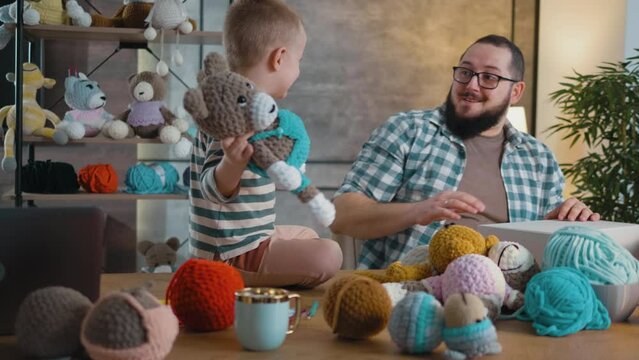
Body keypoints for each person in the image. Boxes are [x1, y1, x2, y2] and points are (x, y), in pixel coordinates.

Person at [330, 34, 600, 270]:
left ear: (515, 91)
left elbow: (543, 253)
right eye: (465, 72)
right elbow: (341, 214)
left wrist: (564, 222)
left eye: (489, 78)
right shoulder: (407, 131)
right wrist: (417, 211)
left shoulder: (539, 159)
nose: (471, 85)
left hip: (509, 301)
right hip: (413, 291)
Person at [188, 0, 342, 287]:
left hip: (251, 236)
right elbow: (210, 188)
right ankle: (236, 277)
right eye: (300, 59)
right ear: (280, 58)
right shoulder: (227, 115)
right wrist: (231, 163)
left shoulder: (256, 112)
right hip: (228, 253)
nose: (299, 70)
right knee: (329, 254)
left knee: (308, 236)